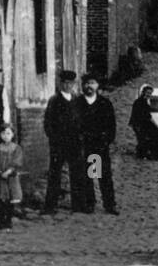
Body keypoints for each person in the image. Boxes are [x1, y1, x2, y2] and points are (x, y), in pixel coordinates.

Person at [42, 70, 87, 214]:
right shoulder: (54, 100)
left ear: (74, 84)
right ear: (60, 83)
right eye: (65, 83)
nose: (67, 86)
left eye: (70, 83)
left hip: (74, 143)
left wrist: (81, 137)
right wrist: (53, 139)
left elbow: (82, 121)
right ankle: (50, 205)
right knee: (55, 173)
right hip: (59, 143)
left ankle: (78, 204)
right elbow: (48, 122)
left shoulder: (78, 100)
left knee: (77, 173)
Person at [76, 72, 118, 215]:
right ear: (82, 86)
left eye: (92, 83)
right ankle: (89, 203)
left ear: (97, 86)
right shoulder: (77, 103)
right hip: (84, 145)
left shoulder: (104, 104)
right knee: (86, 175)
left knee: (103, 175)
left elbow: (111, 126)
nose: (89, 86)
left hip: (100, 145)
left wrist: (106, 141)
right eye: (86, 83)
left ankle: (109, 204)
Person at [0, 124, 25, 230]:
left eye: (8, 133)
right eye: (3, 133)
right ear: (0, 135)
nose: (6, 136)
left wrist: (9, 171)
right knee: (1, 200)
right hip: (0, 177)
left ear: (13, 134)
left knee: (10, 200)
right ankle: (1, 221)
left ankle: (8, 221)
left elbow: (17, 161)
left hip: (11, 178)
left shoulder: (16, 148)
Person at [129, 84, 158, 161]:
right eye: (147, 93)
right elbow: (147, 117)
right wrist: (157, 127)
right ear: (143, 92)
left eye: (150, 93)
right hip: (140, 125)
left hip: (141, 123)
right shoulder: (140, 102)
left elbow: (147, 114)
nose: (149, 95)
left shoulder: (143, 101)